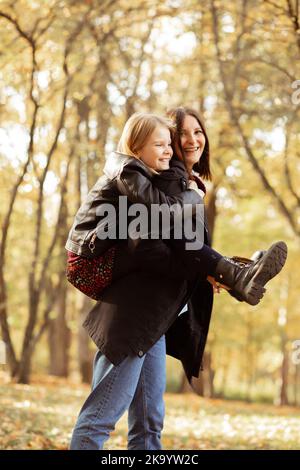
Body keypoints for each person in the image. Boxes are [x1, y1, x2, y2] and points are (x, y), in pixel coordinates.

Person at [66, 109, 287, 450]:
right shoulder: (154, 182)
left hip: (154, 322)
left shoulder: (170, 182)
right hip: (132, 315)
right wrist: (204, 266)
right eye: (173, 138)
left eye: (195, 132)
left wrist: (206, 268)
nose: (185, 142)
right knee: (100, 420)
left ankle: (236, 274)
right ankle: (237, 275)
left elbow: (180, 247)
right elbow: (150, 246)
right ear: (139, 147)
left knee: (149, 427)